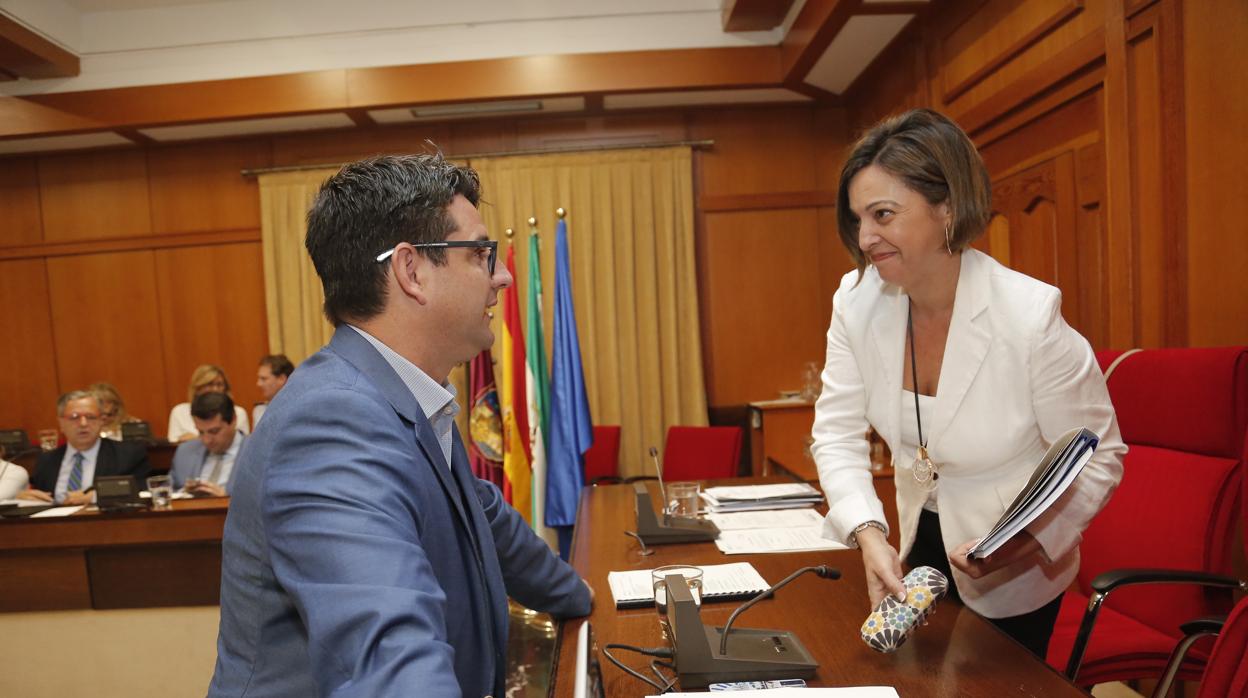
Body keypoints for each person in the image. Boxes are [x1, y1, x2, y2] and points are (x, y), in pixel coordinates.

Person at [209, 153, 592, 697]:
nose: (502, 276)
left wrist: (585, 598)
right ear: (412, 271)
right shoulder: (329, 422)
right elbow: (392, 655)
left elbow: (482, 516)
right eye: (481, 253)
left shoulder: (406, 390)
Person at [812, 109, 1126, 658]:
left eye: (883, 214)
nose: (865, 237)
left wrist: (1026, 541)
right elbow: (836, 434)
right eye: (858, 218)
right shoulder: (855, 302)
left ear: (948, 209)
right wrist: (867, 533)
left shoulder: (1028, 316)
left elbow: (1099, 456)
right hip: (916, 544)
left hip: (1014, 567)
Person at [19, 390, 152, 505]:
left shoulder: (127, 454)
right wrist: (26, 498)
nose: (83, 424)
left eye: (90, 417)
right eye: (74, 417)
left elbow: (141, 488)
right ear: (61, 423)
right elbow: (41, 496)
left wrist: (95, 496)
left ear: (101, 421)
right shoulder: (46, 460)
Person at [170, 392, 245, 497]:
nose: (206, 440)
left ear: (233, 420)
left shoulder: (258, 451)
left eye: (214, 431)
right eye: (201, 432)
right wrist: (184, 494)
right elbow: (168, 493)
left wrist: (226, 500)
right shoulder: (184, 452)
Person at [166, 365, 250, 442]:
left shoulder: (238, 412)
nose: (215, 389)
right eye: (210, 384)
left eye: (219, 384)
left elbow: (239, 443)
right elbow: (173, 446)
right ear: (197, 388)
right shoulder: (179, 412)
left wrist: (193, 439)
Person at [251, 354, 294, 426]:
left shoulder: (298, 408)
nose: (258, 384)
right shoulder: (259, 411)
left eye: (264, 379)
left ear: (281, 379)